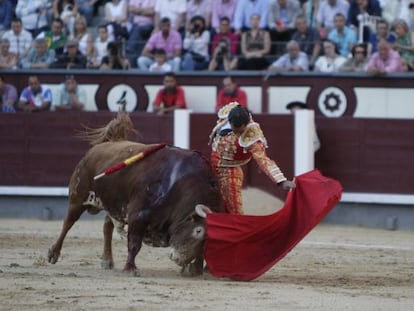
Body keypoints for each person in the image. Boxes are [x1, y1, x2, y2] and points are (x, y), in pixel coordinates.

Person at [209, 103, 295, 214]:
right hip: (212, 163)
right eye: (235, 129)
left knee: (234, 209)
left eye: (240, 130)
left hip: (229, 171)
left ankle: (236, 229)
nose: (237, 133)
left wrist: (281, 181)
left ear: (246, 124)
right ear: (230, 122)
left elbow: (263, 160)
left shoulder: (252, 135)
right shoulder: (229, 113)